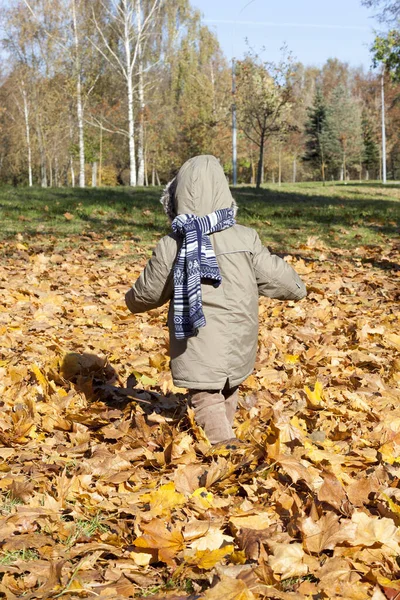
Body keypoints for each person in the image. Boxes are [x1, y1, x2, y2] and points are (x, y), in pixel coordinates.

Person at [125, 155, 307, 444]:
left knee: (205, 395)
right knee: (227, 387)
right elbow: (275, 277)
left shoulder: (174, 244)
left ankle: (224, 447)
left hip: (198, 338)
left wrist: (131, 300)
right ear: (225, 194)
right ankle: (226, 434)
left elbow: (149, 291)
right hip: (239, 335)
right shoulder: (245, 238)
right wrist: (297, 286)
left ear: (176, 197)